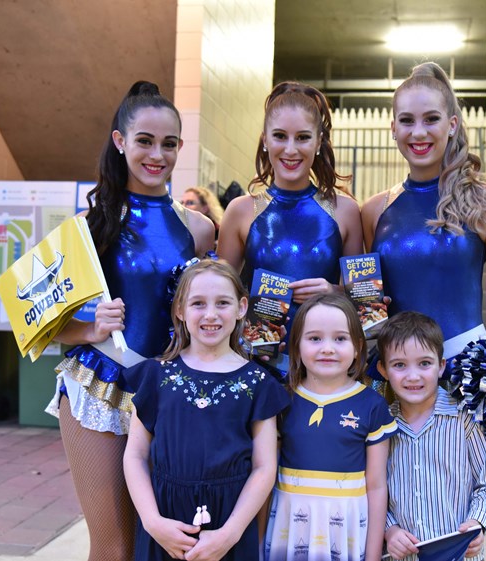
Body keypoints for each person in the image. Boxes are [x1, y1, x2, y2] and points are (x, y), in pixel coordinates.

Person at [48, 81, 215, 561]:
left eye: (168, 144)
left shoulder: (199, 229)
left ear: (180, 147)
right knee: (114, 545)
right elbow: (40, 324)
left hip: (170, 396)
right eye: (145, 140)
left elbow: (213, 310)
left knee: (169, 542)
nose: (156, 154)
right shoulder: (88, 225)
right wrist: (90, 327)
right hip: (98, 388)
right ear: (120, 140)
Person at [123, 259, 290, 561]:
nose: (210, 314)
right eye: (198, 303)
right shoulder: (156, 376)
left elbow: (264, 466)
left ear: (241, 308)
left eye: (222, 303)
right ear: (180, 311)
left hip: (229, 522)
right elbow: (135, 455)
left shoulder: (258, 383)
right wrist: (151, 521)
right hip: (164, 518)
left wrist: (232, 532)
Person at [361, 62, 486, 365]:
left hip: (467, 376)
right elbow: (369, 300)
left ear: (451, 125)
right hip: (394, 377)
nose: (418, 132)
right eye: (407, 121)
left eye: (431, 119)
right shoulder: (374, 209)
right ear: (393, 128)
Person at [217, 81, 363, 373]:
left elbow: (364, 299)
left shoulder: (345, 210)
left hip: (325, 367)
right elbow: (220, 296)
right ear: (265, 140)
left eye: (303, 137)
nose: (291, 149)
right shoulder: (241, 211)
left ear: (319, 142)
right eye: (280, 136)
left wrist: (334, 290)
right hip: (255, 365)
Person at [264, 293, 397, 561]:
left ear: (358, 346)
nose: (327, 348)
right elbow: (266, 478)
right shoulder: (281, 400)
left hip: (345, 527)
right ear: (296, 345)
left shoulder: (372, 405)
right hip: (290, 526)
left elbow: (376, 486)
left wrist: (372, 556)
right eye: (314, 339)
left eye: (340, 338)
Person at [376, 312, 486, 561]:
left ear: (441, 365)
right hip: (405, 556)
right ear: (383, 370)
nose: (413, 376)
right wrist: (389, 530)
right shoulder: (382, 425)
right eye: (399, 365)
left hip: (459, 554)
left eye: (424, 363)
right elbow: (373, 489)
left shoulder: (464, 417)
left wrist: (477, 522)